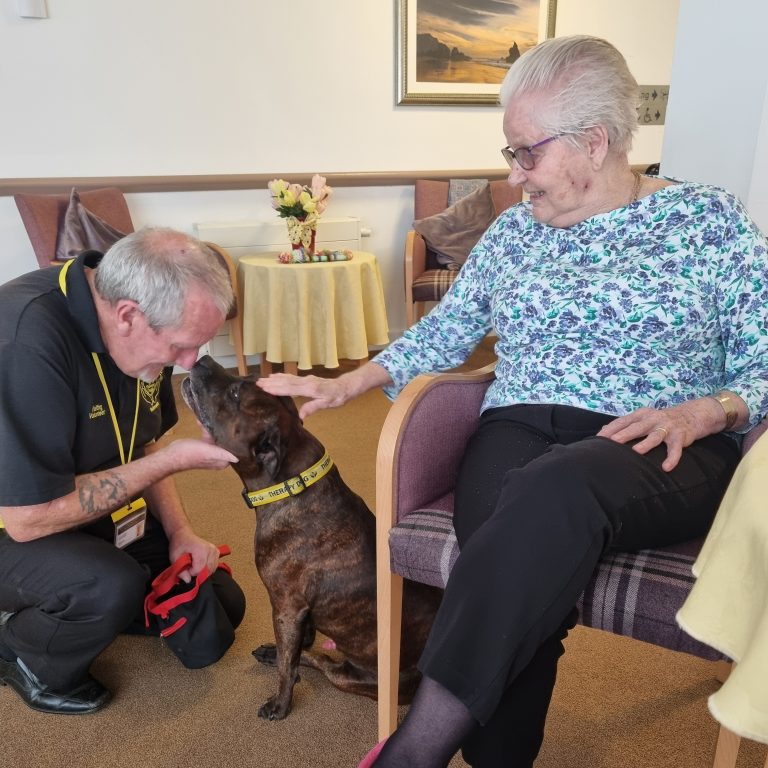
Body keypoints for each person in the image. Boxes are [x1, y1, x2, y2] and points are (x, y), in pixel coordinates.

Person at [257, 36, 768, 768]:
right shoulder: (513, 233)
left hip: (663, 442)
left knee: (547, 497)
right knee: (522, 559)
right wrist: (352, 381)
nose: (514, 175)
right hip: (518, 425)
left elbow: (764, 360)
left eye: (526, 152)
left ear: (595, 143)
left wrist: (711, 409)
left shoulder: (709, 223)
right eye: (510, 154)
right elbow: (447, 329)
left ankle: (413, 752)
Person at [0, 227, 246, 715]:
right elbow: (27, 520)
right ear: (128, 314)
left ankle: (94, 602)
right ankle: (21, 652)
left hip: (85, 499)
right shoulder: (25, 341)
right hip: (18, 521)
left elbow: (146, 439)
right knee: (109, 586)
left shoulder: (151, 320)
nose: (189, 361)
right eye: (181, 347)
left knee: (218, 598)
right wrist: (171, 460)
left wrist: (181, 533)